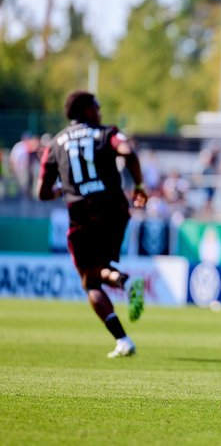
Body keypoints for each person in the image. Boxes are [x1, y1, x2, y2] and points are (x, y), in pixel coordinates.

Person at [37, 90, 147, 359]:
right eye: (96, 106)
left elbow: (41, 192)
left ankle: (123, 339)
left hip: (83, 214)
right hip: (114, 209)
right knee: (101, 271)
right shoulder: (106, 133)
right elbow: (128, 152)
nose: (99, 110)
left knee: (90, 284)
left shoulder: (55, 144)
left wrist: (63, 190)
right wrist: (139, 185)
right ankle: (123, 281)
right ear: (86, 110)